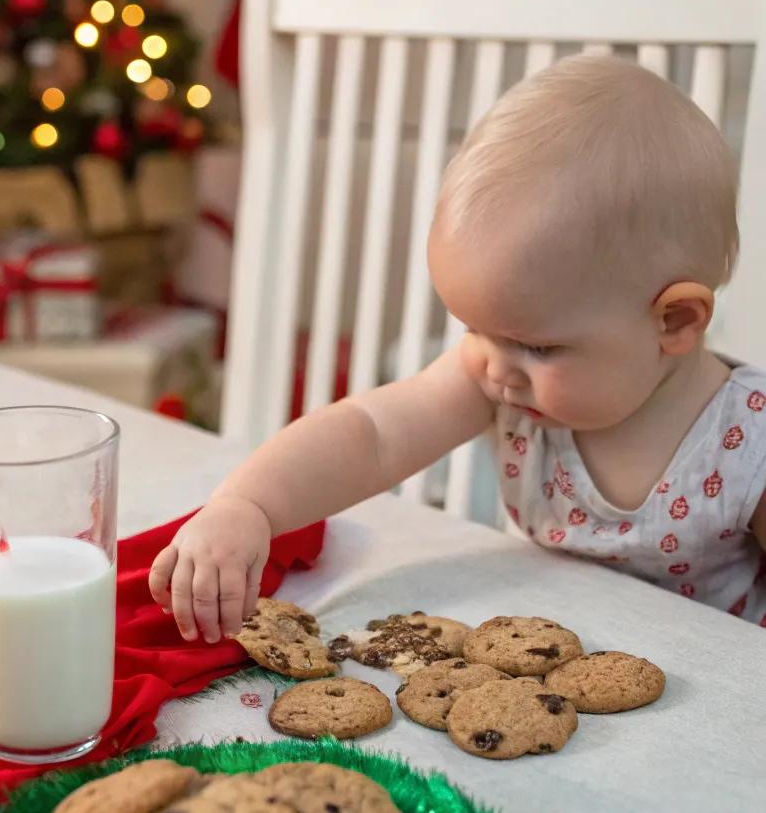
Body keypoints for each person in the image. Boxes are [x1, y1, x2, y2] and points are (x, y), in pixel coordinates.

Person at [150, 55, 766, 641]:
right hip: (550, 670)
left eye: (537, 347)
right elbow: (372, 435)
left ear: (675, 322)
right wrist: (248, 505)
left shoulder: (748, 446)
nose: (496, 367)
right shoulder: (496, 378)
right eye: (475, 330)